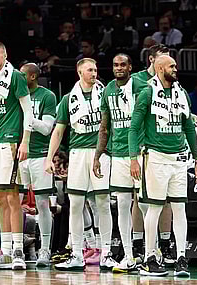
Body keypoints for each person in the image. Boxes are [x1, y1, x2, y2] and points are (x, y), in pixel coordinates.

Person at [128, 55, 197, 276]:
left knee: (180, 208)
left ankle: (181, 257)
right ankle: (150, 257)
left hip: (179, 159)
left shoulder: (182, 94)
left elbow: (189, 128)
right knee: (155, 207)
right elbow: (134, 128)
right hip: (156, 157)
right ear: (160, 68)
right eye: (171, 66)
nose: (175, 68)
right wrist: (134, 158)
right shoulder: (147, 93)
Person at [45, 58, 115, 271]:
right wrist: (49, 157)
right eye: (89, 70)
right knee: (75, 204)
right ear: (79, 72)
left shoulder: (106, 94)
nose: (94, 73)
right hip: (77, 154)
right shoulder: (68, 99)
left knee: (102, 203)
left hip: (100, 154)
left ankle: (106, 252)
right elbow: (58, 130)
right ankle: (76, 253)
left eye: (95, 69)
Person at [0, 42, 33, 270]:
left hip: (10, 142)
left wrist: (25, 141)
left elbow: (28, 109)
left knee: (12, 198)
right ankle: (6, 252)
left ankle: (18, 251)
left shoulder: (16, 76)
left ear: (5, 54)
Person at [94, 53, 143, 273]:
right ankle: (129, 256)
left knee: (145, 204)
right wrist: (98, 155)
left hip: (141, 152)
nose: (119, 67)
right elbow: (104, 127)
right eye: (115, 65)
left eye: (123, 64)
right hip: (118, 153)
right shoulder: (107, 91)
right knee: (123, 205)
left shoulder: (140, 87)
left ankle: (152, 253)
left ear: (130, 67)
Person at [18, 63, 56, 267]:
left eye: (22, 75)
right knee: (15, 201)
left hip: (41, 154)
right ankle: (13, 249)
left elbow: (47, 129)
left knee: (42, 203)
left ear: (32, 77)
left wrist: (27, 117)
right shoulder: (14, 94)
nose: (18, 78)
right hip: (19, 154)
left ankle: (45, 249)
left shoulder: (47, 96)